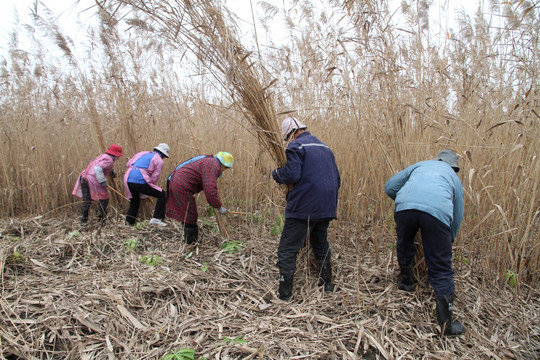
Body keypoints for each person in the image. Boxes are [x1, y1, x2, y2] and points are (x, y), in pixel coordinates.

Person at [384, 149, 465, 336]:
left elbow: (389, 187)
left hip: (405, 207)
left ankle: (407, 283)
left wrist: (409, 202)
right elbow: (457, 213)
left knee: (404, 245)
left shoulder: (420, 165)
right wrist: (449, 237)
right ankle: (446, 325)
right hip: (437, 213)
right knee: (441, 267)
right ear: (454, 167)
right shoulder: (453, 178)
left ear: (437, 159)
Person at [271, 117, 341, 301]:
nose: (288, 141)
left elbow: (292, 174)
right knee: (320, 243)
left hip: (304, 206)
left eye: (287, 138)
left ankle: (284, 295)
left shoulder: (296, 147)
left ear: (291, 134)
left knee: (287, 250)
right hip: (327, 206)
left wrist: (276, 174)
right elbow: (337, 178)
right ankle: (327, 284)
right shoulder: (325, 148)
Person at [165, 152, 233, 244]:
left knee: (187, 212)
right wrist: (219, 206)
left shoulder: (210, 161)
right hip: (181, 185)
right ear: (222, 163)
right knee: (189, 213)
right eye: (225, 167)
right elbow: (209, 188)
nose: (224, 170)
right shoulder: (213, 164)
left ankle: (191, 240)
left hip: (178, 182)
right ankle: (190, 242)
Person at [72, 144, 123, 223]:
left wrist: (112, 172)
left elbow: (102, 166)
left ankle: (84, 219)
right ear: (115, 155)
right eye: (118, 155)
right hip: (92, 179)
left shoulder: (103, 156)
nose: (119, 158)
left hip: (84, 177)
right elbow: (98, 168)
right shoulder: (109, 160)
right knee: (104, 199)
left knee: (87, 200)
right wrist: (103, 181)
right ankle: (102, 219)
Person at [124, 143, 170, 226]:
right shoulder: (159, 160)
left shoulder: (141, 153)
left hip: (128, 178)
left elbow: (128, 164)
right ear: (163, 154)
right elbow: (154, 177)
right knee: (162, 194)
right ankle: (157, 219)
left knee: (135, 202)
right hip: (140, 179)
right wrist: (149, 190)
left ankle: (129, 223)